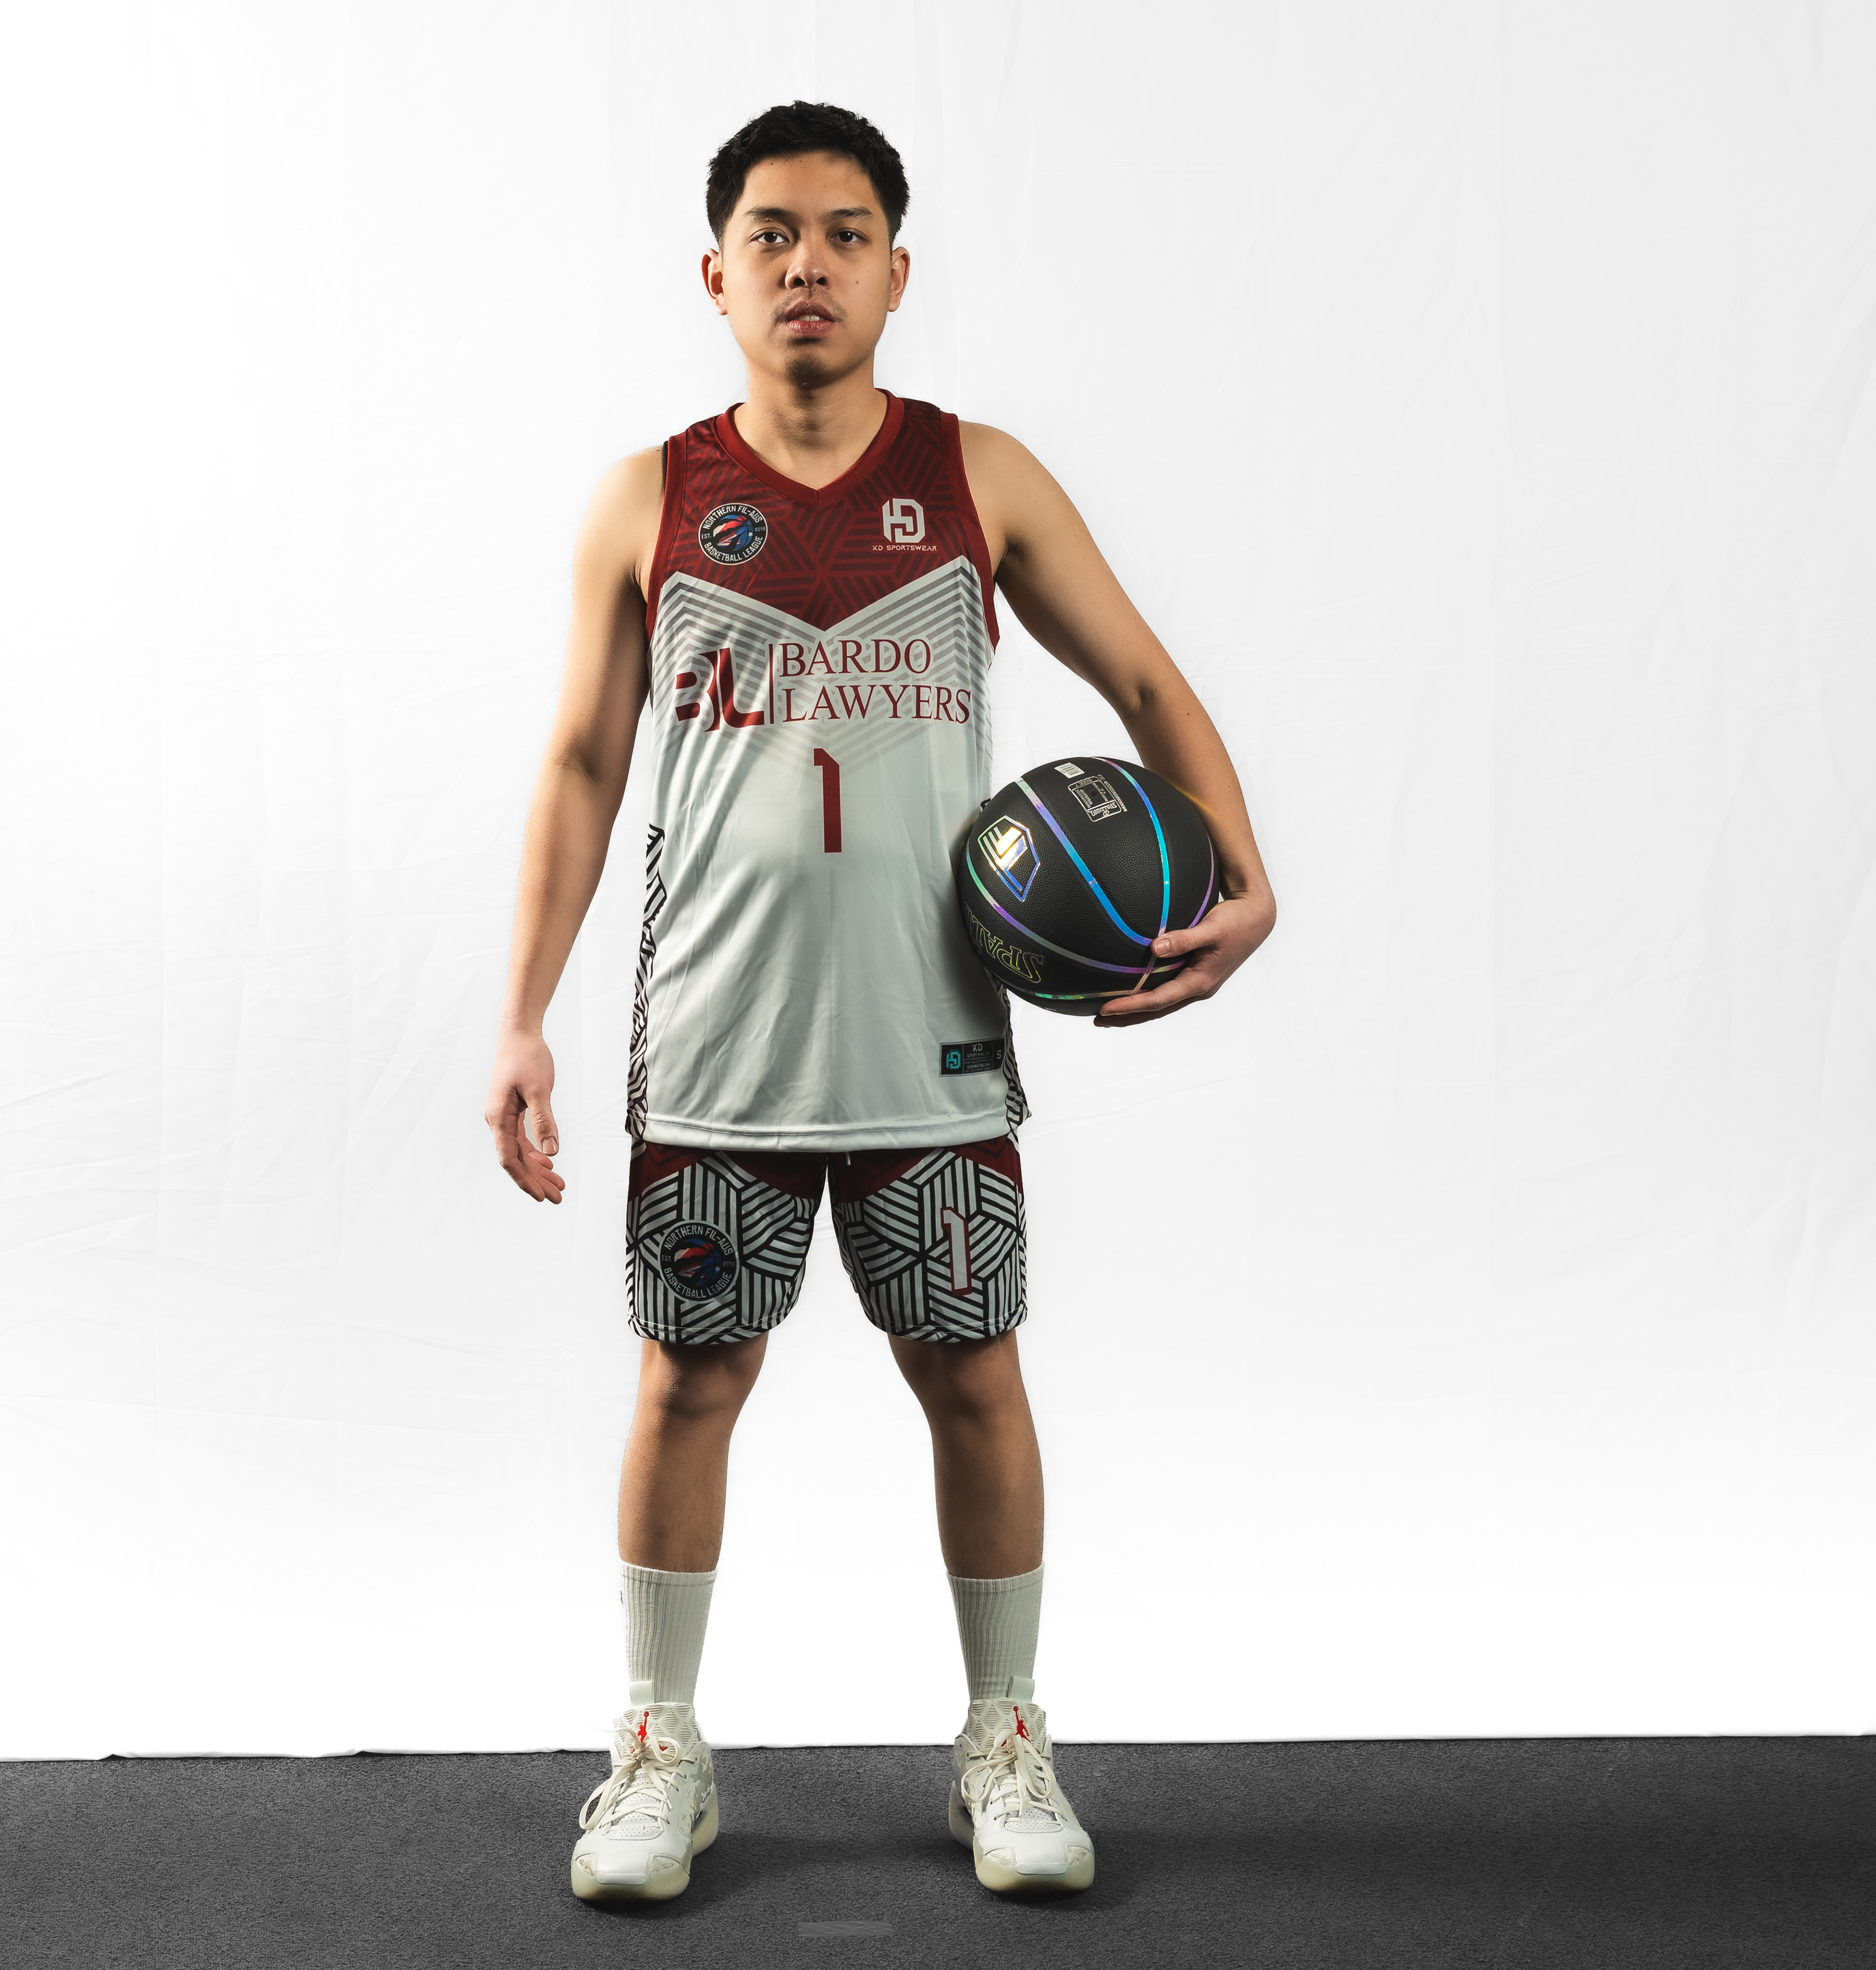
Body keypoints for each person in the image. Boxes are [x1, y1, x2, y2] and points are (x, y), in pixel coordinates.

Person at [484, 100, 1275, 1904]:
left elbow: (1148, 684)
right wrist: (523, 1014)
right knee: (690, 1379)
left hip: (936, 1046)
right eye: (770, 234)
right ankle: (656, 1749)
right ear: (714, 275)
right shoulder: (649, 499)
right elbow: (584, 761)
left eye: (846, 234)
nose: (808, 265)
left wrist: (1245, 874)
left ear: (898, 273)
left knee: (974, 1375)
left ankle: (1007, 1739)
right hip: (718, 1042)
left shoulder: (981, 479)